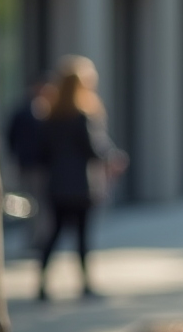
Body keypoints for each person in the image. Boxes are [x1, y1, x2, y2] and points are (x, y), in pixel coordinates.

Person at [37, 56, 126, 301]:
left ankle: (42, 284)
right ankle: (85, 284)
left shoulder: (49, 116)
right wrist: (112, 157)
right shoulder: (82, 116)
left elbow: (42, 153)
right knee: (82, 235)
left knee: (53, 233)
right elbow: (92, 149)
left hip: (55, 184)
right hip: (81, 185)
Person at [5, 75, 55, 245]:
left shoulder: (51, 111)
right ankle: (35, 237)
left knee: (44, 202)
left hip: (46, 165)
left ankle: (45, 236)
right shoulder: (22, 111)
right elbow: (10, 136)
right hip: (28, 164)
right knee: (31, 202)